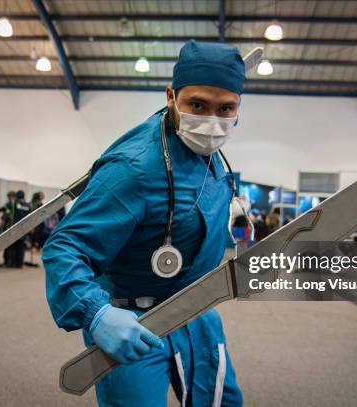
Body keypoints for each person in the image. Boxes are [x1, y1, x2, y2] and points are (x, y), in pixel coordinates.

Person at [43, 40, 244, 406]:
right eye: (197, 105)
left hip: (196, 311)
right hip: (133, 323)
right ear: (171, 97)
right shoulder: (133, 169)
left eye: (225, 108)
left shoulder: (211, 156)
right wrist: (97, 314)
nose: (212, 122)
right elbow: (64, 247)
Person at [8, 190, 30, 268]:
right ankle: (19, 263)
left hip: (16, 227)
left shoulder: (16, 203)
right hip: (24, 228)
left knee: (14, 246)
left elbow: (14, 215)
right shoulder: (27, 205)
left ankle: (12, 263)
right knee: (21, 246)